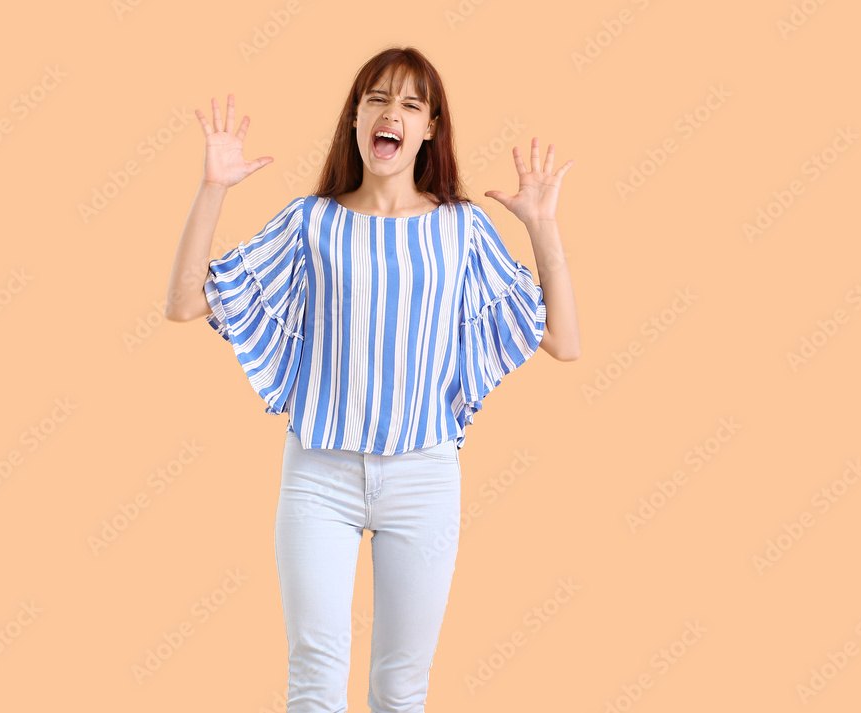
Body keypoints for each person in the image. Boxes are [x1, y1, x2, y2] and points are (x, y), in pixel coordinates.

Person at [165, 46, 579, 713]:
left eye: (411, 104)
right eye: (377, 99)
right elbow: (185, 301)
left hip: (424, 478)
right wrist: (212, 188)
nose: (392, 113)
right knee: (315, 681)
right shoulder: (311, 222)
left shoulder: (461, 228)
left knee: (400, 690)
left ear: (431, 128)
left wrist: (543, 227)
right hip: (318, 476)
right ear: (355, 118)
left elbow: (564, 339)